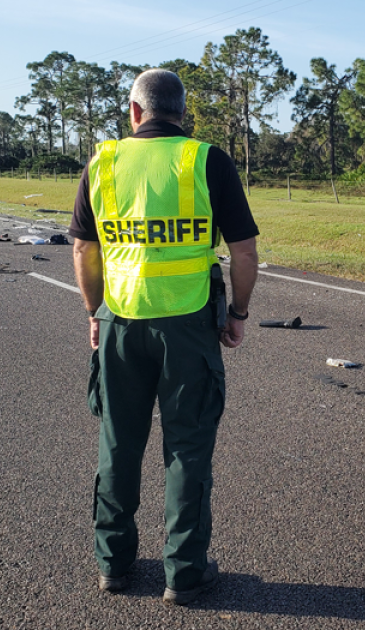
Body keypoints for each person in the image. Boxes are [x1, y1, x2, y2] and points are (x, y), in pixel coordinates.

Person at [70, 68, 259, 606]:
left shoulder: (103, 162)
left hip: (121, 324)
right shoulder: (205, 159)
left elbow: (85, 251)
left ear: (134, 112)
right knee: (188, 449)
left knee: (118, 444)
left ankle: (114, 564)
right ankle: (185, 573)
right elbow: (244, 252)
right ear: (181, 112)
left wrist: (93, 311)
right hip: (189, 326)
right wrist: (238, 314)